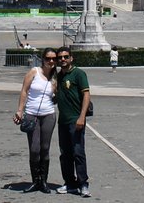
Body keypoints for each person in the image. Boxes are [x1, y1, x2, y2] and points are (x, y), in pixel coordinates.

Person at [13, 48, 58, 193]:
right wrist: (20, 110)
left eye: (53, 59)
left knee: (45, 148)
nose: (51, 61)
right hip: (32, 114)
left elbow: (59, 96)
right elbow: (24, 91)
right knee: (34, 149)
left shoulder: (57, 76)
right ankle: (35, 181)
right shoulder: (34, 72)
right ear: (42, 59)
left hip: (49, 114)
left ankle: (43, 181)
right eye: (48, 58)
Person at [55, 47, 91, 197]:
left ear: (71, 58)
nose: (62, 59)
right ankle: (70, 183)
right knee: (65, 154)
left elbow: (86, 95)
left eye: (65, 57)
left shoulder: (79, 74)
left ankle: (83, 184)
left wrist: (82, 117)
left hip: (75, 120)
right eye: (60, 57)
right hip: (62, 121)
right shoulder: (58, 76)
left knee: (78, 152)